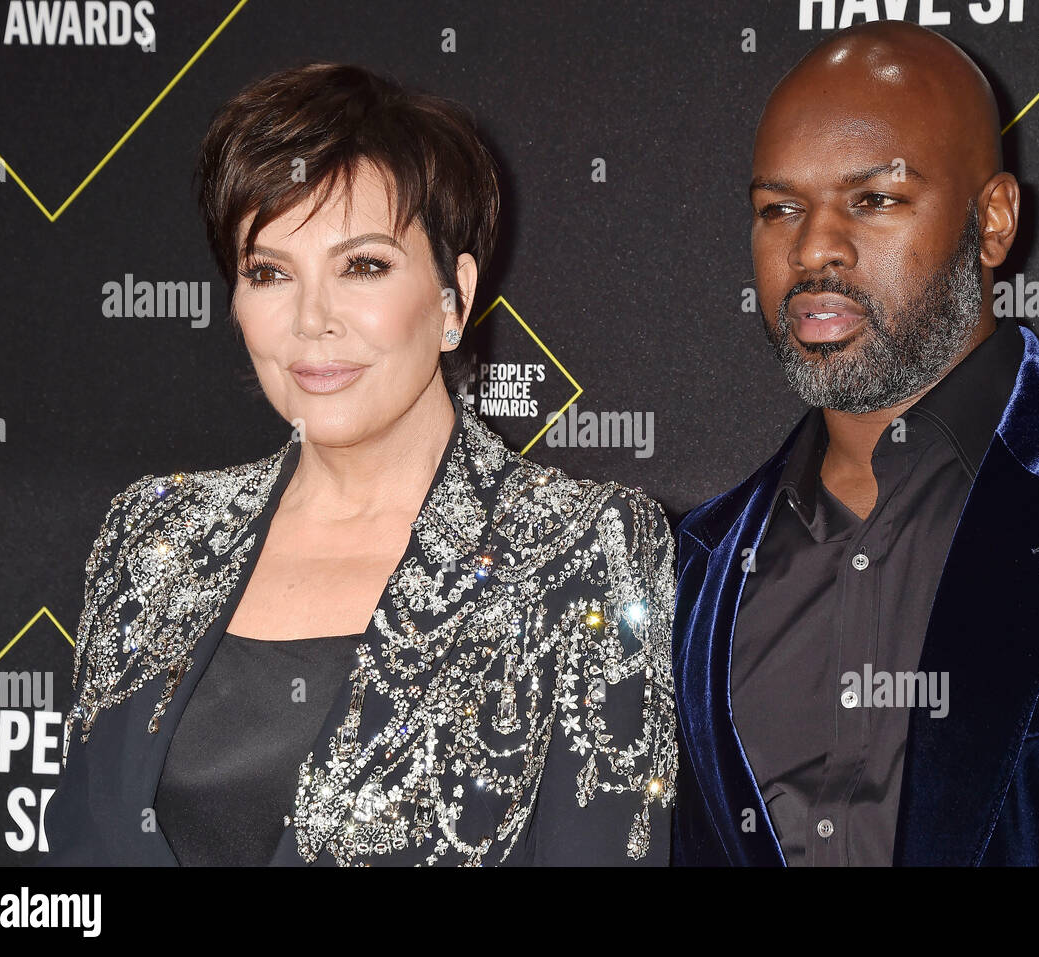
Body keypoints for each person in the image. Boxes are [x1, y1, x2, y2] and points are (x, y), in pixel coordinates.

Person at [42, 62, 678, 866]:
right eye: (270, 272)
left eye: (363, 266)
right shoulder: (153, 536)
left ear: (454, 297)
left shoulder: (586, 549)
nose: (313, 321)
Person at [670, 21, 1039, 866]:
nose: (813, 246)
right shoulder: (701, 562)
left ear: (993, 220)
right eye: (779, 209)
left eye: (874, 199)